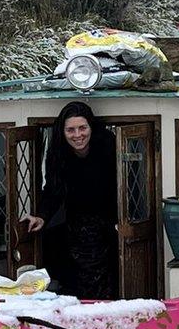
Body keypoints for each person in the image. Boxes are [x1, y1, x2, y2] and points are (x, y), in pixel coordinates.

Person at [21, 102, 118, 299]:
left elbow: (126, 183)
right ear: (63, 132)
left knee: (108, 280)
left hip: (110, 222)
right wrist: (41, 216)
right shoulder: (58, 153)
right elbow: (53, 190)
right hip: (76, 226)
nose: (78, 135)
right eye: (70, 130)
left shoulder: (109, 145)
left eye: (82, 128)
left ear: (91, 127)